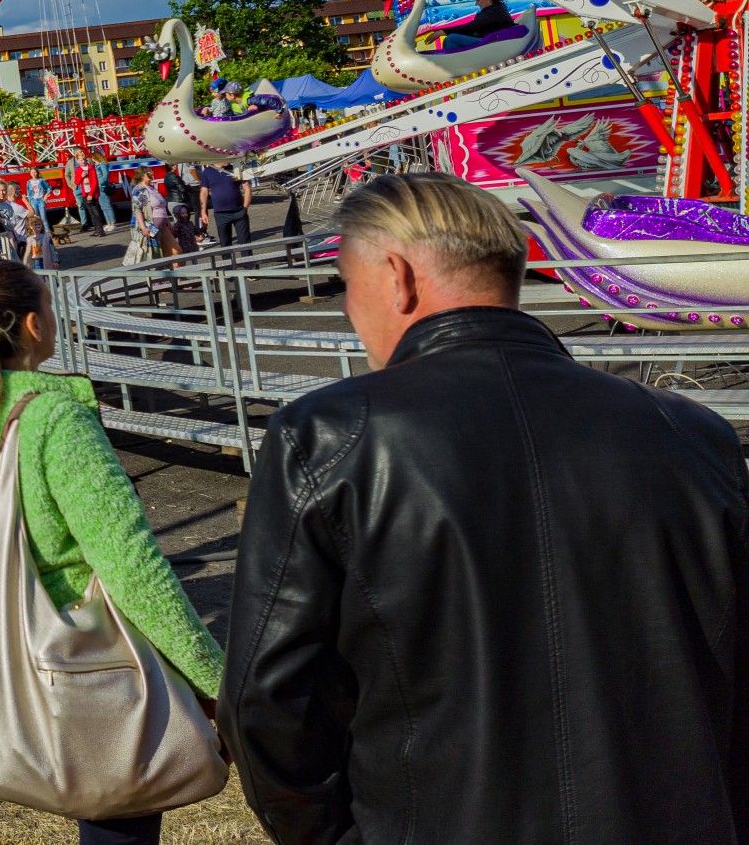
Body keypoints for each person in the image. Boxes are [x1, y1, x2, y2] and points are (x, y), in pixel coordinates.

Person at [221, 173, 749, 844]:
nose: (353, 319)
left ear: (397, 277)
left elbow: (267, 703)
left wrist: (336, 836)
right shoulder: (691, 433)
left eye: (346, 291)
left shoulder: (329, 437)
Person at [0, 259, 224, 845]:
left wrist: (4, 617)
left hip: (28, 657)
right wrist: (210, 676)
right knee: (120, 804)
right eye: (53, 310)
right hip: (99, 654)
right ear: (33, 326)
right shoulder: (56, 420)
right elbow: (130, 565)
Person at [439, 0, 517, 51]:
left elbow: (471, 26)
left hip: (494, 42)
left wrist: (444, 31)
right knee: (448, 39)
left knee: (452, 38)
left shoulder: (492, 12)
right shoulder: (496, 8)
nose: (476, 4)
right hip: (493, 40)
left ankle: (456, 63)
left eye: (478, 0)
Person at [197, 163, 253, 249]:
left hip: (239, 211)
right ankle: (227, 262)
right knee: (225, 244)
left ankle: (248, 262)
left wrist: (245, 207)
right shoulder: (208, 172)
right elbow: (204, 192)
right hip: (220, 213)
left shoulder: (235, 169)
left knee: (245, 243)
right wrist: (203, 211)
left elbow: (247, 188)